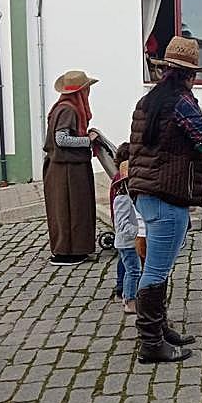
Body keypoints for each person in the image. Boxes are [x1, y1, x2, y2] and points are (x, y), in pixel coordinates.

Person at [129, 36, 202, 365]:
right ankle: (151, 343)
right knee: (156, 271)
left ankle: (160, 329)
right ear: (189, 75)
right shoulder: (182, 103)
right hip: (168, 198)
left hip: (147, 195)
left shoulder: (149, 102)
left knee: (157, 268)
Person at [43, 70, 99, 267]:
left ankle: (76, 249)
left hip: (70, 166)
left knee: (76, 209)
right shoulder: (68, 110)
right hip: (66, 169)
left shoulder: (68, 108)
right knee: (69, 210)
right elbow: (61, 139)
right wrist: (87, 140)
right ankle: (67, 253)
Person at [112, 160, 145, 315]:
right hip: (127, 243)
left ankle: (130, 296)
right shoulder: (122, 199)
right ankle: (129, 300)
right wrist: (139, 231)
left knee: (133, 270)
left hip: (133, 242)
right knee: (133, 271)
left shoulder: (132, 198)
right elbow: (122, 225)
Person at [110, 142, 131, 302]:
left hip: (123, 228)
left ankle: (121, 286)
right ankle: (124, 289)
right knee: (129, 263)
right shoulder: (122, 182)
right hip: (127, 231)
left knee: (125, 260)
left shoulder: (118, 179)